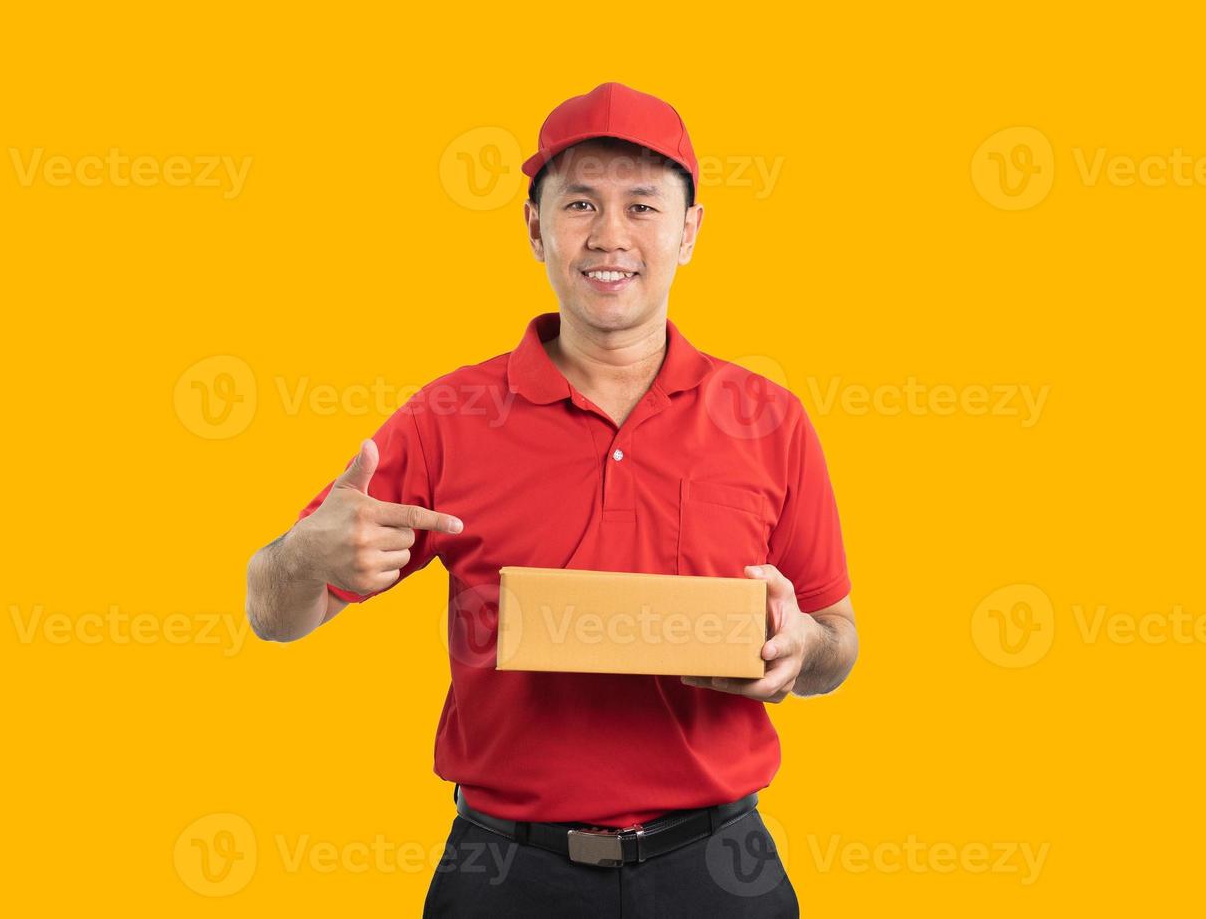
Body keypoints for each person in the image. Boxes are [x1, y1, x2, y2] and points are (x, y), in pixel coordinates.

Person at [245, 82, 858, 917]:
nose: (610, 235)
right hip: (506, 872)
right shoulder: (447, 417)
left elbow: (839, 642)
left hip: (717, 867)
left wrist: (801, 649)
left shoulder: (767, 417)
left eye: (643, 205)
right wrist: (299, 557)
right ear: (535, 228)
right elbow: (275, 613)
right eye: (579, 203)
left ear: (689, 232)